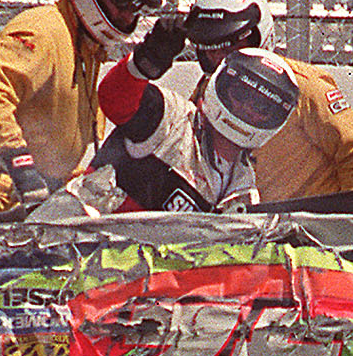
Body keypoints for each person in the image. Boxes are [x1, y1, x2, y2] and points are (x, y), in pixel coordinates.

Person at [0, 0, 165, 223]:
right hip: (1, 204)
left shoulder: (87, 48)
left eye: (134, 9)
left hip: (38, 206)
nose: (125, 14)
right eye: (119, 1)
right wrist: (22, 169)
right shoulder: (43, 30)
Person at [182, 0, 353, 202]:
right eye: (210, 49)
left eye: (231, 45)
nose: (219, 57)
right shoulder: (207, 92)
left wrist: (352, 220)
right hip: (245, 225)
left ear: (260, 36)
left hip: (307, 226)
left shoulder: (302, 87)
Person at [95, 15, 299, 213]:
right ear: (220, 84)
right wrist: (146, 61)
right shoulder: (173, 120)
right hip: (81, 235)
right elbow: (114, 100)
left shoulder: (244, 189)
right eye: (240, 93)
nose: (247, 107)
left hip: (150, 246)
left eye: (261, 107)